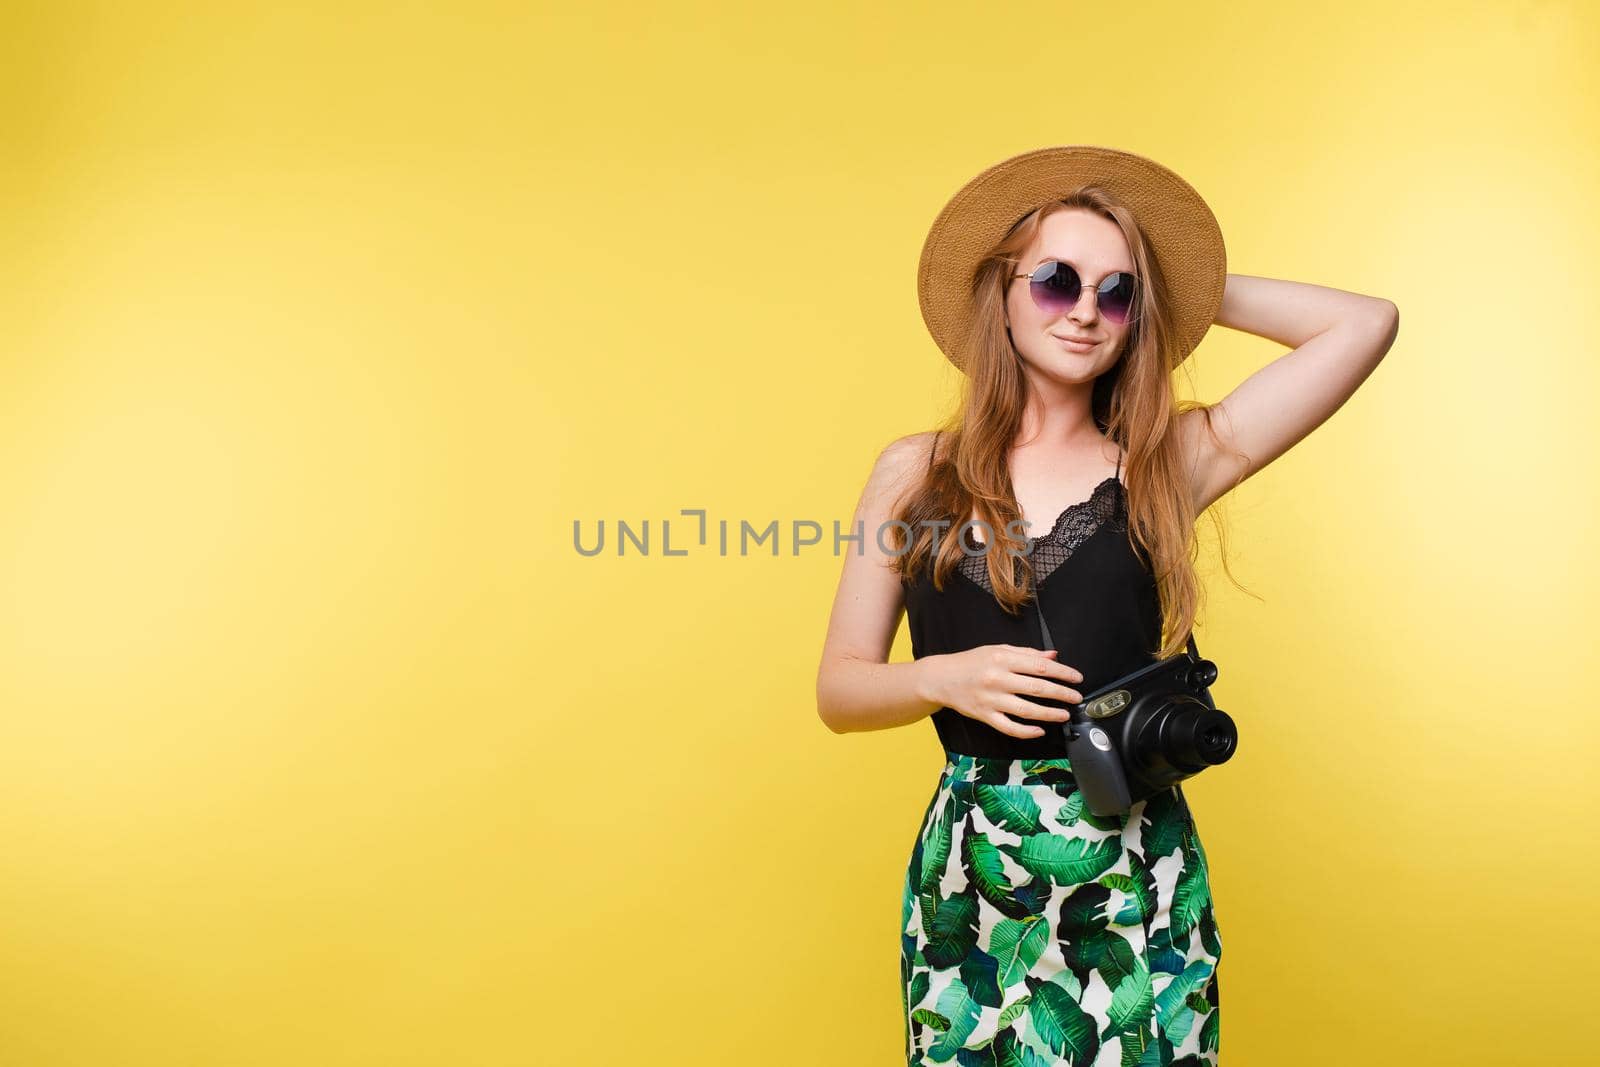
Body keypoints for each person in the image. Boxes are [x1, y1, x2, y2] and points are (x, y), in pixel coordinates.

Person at [815, 145, 1399, 1066]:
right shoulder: (910, 474)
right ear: (999, 293)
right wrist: (944, 677)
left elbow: (1364, 324)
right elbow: (839, 689)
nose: (1087, 311)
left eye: (1118, 292)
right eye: (1054, 280)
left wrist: (1183, 279)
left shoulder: (1167, 463)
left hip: (1133, 865)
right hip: (974, 874)